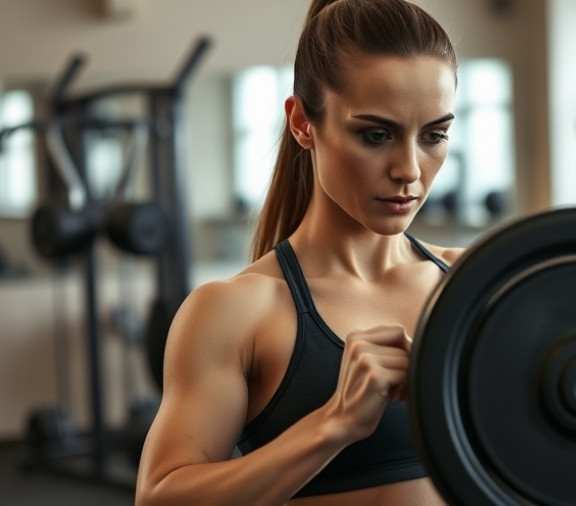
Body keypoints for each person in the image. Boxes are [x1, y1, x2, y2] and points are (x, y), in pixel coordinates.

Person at [135, 0, 462, 504]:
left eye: (434, 135)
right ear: (303, 123)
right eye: (376, 135)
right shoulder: (237, 311)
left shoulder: (470, 281)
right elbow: (159, 497)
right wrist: (334, 423)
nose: (410, 170)